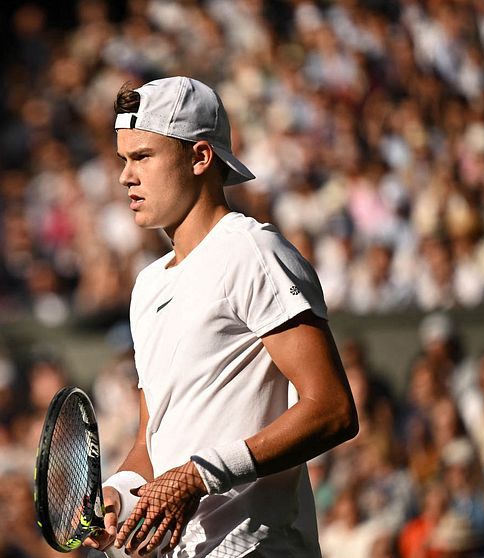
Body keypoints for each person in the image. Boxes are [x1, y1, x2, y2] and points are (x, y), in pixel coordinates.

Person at [83, 76, 359, 557]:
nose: (126, 176)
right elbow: (153, 443)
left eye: (143, 157)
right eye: (123, 160)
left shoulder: (254, 251)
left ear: (200, 157)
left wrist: (200, 474)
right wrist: (121, 492)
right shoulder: (148, 285)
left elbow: (332, 410)